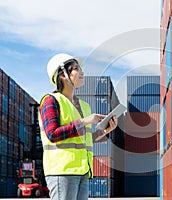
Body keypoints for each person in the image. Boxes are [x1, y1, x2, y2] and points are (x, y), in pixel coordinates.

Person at [38, 53, 117, 200]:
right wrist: (84, 121)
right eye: (75, 69)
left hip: (83, 171)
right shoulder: (50, 101)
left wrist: (106, 131)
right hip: (62, 172)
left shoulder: (84, 106)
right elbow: (53, 134)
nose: (82, 72)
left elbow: (84, 140)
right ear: (62, 75)